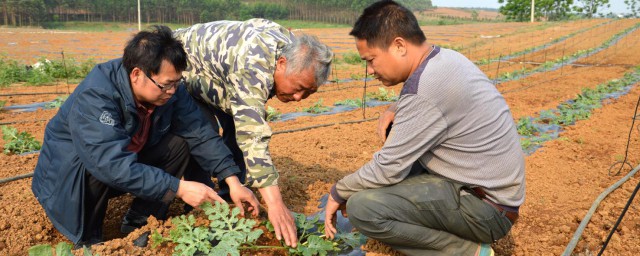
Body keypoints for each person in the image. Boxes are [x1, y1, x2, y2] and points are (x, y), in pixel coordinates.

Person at [323, 1, 525, 255]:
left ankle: (466, 252)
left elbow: (387, 169)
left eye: (372, 60)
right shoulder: (444, 58)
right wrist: (394, 108)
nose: (371, 70)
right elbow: (430, 100)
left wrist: (337, 192)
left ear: (399, 45)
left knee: (363, 207)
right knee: (386, 176)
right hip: (492, 195)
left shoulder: (426, 90)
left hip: (486, 211)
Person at [31, 25, 259, 248]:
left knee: (181, 144)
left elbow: (199, 132)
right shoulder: (98, 94)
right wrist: (179, 188)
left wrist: (232, 181)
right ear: (137, 74)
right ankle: (89, 237)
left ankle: (141, 219)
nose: (172, 91)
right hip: (70, 175)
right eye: (166, 85)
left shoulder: (170, 91)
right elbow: (109, 163)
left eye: (177, 82)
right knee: (95, 164)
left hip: (124, 158)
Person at [173, 18, 333, 247]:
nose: (298, 98)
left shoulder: (288, 51)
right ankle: (203, 207)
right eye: (298, 88)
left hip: (224, 77)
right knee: (202, 132)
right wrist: (276, 203)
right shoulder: (255, 62)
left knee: (236, 130)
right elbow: (252, 135)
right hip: (187, 67)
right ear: (281, 63)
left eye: (308, 93)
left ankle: (231, 194)